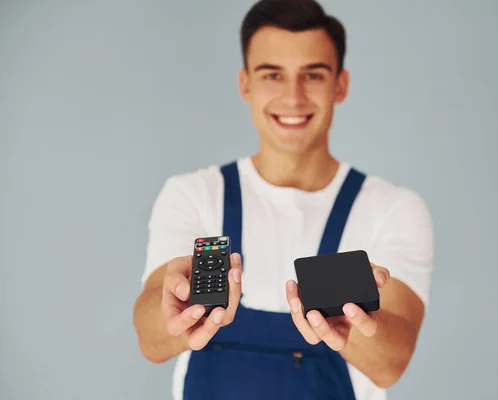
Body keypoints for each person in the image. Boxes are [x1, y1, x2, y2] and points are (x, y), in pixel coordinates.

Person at [133, 0, 434, 399]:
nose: (293, 97)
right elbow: (151, 342)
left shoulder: (391, 209)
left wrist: (349, 329)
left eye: (313, 75)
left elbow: (391, 364)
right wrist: (174, 309)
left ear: (340, 85)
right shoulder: (194, 194)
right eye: (272, 74)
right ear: (245, 84)